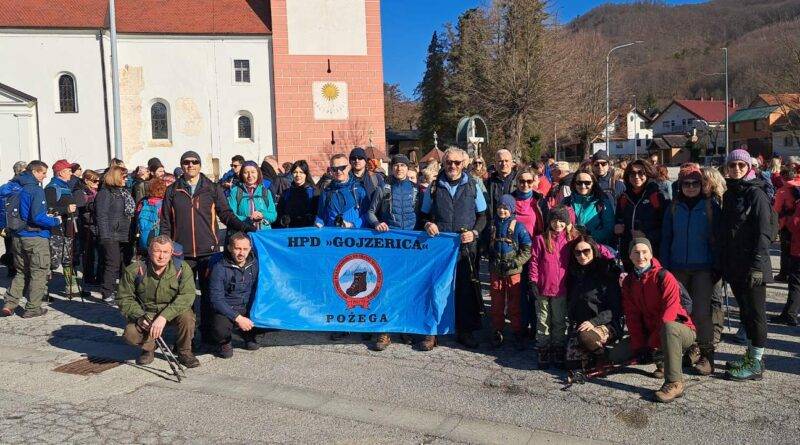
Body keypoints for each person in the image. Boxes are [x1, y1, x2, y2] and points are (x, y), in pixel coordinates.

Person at [160, 151, 255, 346]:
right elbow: (166, 222)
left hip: (208, 251)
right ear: (181, 165)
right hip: (181, 252)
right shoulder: (173, 190)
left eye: (194, 162)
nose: (190, 165)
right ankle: (188, 337)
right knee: (184, 296)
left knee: (209, 295)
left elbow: (225, 214)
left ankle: (209, 333)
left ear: (200, 165)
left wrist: (244, 227)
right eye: (186, 162)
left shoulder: (211, 188)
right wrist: (165, 247)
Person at [421, 147, 488, 350]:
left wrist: (475, 233)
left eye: (457, 163)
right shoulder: (433, 186)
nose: (453, 166)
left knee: (465, 289)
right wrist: (427, 224)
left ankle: (464, 331)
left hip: (465, 246)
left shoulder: (474, 185)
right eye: (449, 162)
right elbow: (423, 215)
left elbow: (483, 216)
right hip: (439, 247)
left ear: (464, 164)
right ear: (443, 163)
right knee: (437, 288)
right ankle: (432, 332)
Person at [660, 164, 721, 375]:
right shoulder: (673, 207)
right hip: (677, 267)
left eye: (696, 183)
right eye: (687, 183)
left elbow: (718, 240)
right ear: (680, 185)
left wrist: (717, 266)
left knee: (702, 312)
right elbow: (666, 238)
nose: (691, 187)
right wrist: (664, 268)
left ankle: (707, 354)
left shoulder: (711, 205)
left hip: (704, 267)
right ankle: (687, 349)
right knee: (681, 312)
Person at [718, 149, 772, 381]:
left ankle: (756, 363)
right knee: (746, 314)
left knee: (756, 315)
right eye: (733, 165)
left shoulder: (756, 194)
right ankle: (750, 355)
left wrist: (758, 265)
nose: (737, 169)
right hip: (736, 266)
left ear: (750, 167)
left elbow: (765, 232)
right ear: (727, 168)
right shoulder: (731, 193)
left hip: (753, 266)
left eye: (741, 165)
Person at [622, 238, 695, 403]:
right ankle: (660, 359)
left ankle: (674, 382)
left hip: (680, 330)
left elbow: (670, 312)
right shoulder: (628, 281)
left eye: (644, 252)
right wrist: (639, 345)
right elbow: (632, 315)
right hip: (652, 333)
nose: (641, 256)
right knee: (617, 354)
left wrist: (652, 343)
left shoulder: (664, 276)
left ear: (651, 254)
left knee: (668, 329)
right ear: (630, 256)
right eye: (636, 252)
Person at [117, 235, 199, 367]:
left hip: (172, 312)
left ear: (171, 253)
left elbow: (187, 296)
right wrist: (139, 316)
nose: (161, 256)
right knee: (130, 334)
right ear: (150, 252)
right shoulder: (135, 270)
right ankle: (148, 348)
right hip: (146, 313)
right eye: (157, 251)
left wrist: (164, 317)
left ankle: (184, 351)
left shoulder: (182, 269)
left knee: (187, 317)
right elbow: (124, 298)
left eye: (165, 252)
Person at [1, 161, 61, 318]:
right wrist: (55, 221)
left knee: (21, 272)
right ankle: (33, 308)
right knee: (38, 272)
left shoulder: (12, 186)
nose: (45, 176)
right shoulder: (34, 189)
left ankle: (9, 303)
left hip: (17, 236)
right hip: (35, 236)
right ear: (34, 171)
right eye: (43, 172)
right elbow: (37, 217)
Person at [565, 235, 624, 369]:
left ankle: (604, 357)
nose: (582, 256)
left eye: (586, 251)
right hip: (582, 324)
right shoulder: (574, 273)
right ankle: (592, 354)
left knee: (585, 337)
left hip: (606, 323)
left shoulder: (606, 273)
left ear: (593, 250)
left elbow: (616, 308)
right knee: (571, 363)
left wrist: (594, 322)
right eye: (578, 252)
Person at [529, 206, 577, 368]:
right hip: (543, 287)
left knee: (558, 320)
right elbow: (534, 262)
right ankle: (543, 347)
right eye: (555, 220)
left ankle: (558, 347)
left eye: (562, 221)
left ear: (567, 223)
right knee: (543, 320)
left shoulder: (570, 241)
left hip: (561, 288)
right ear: (549, 221)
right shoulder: (541, 239)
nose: (558, 224)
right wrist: (533, 280)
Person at [488, 194, 532, 350]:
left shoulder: (519, 227)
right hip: (496, 270)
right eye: (500, 207)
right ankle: (497, 330)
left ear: (512, 209)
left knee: (515, 303)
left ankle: (517, 331)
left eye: (505, 208)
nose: (502, 210)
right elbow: (486, 245)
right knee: (496, 303)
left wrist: (516, 262)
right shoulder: (492, 226)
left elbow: (527, 249)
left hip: (513, 271)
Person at [209, 232, 261, 358]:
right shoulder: (219, 268)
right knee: (220, 330)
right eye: (237, 248)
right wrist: (238, 318)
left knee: (271, 320)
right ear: (229, 248)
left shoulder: (255, 264)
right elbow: (216, 299)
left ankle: (247, 334)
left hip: (247, 307)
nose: (241, 253)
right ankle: (224, 342)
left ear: (250, 249)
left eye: (245, 249)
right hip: (228, 308)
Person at [615, 160, 668, 266]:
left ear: (648, 174)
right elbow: (618, 219)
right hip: (629, 254)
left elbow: (666, 227)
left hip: (651, 254)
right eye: (632, 173)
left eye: (641, 173)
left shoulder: (657, 196)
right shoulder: (624, 197)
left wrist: (646, 236)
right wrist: (617, 227)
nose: (636, 176)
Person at [95, 165, 135, 304]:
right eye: (124, 176)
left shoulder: (123, 192)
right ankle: (107, 292)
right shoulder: (105, 193)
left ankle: (124, 291)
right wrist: (104, 235)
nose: (127, 179)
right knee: (112, 263)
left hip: (125, 233)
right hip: (111, 234)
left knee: (126, 263)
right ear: (116, 177)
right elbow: (102, 215)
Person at [45, 160, 81, 299]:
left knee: (68, 259)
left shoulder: (66, 186)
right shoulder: (51, 188)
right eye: (69, 170)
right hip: (56, 230)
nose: (71, 173)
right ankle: (42, 291)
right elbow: (47, 209)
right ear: (61, 172)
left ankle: (71, 288)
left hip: (68, 229)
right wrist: (66, 209)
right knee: (51, 262)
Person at [701, 166, 728, 344]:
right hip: (702, 255)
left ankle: (715, 332)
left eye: (705, 181)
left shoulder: (718, 202)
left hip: (715, 256)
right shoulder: (701, 201)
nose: (702, 184)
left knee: (715, 298)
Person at [315, 154, 370, 229]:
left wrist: (352, 225)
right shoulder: (326, 191)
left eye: (342, 168)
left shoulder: (359, 189)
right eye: (334, 169)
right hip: (332, 237)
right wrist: (318, 223)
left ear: (348, 168)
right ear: (330, 170)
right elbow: (321, 215)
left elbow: (367, 215)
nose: (338, 171)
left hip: (355, 236)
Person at [563, 170, 614, 245]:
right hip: (570, 246)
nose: (583, 186)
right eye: (579, 183)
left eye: (587, 183)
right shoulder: (566, 201)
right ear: (574, 183)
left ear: (593, 183)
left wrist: (588, 236)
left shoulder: (602, 202)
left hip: (595, 247)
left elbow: (609, 228)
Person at [228, 161, 277, 232]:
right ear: (242, 174)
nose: (250, 176)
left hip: (263, 234)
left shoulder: (265, 192)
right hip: (243, 234)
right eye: (246, 172)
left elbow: (273, 215)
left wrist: (262, 214)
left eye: (253, 172)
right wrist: (248, 219)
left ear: (258, 173)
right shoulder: (235, 191)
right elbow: (231, 216)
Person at [772, 164, 800, 282]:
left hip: (787, 224)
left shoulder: (782, 191)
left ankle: (784, 274)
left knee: (785, 250)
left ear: (783, 177)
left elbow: (776, 210)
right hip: (798, 223)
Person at [1, 161, 28, 278]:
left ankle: (12, 268)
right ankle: (15, 269)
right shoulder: (22, 187)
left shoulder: (4, 187)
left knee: (11, 247)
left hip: (8, 224)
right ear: (20, 171)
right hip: (17, 223)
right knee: (17, 248)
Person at [76, 170, 101, 285]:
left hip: (96, 223)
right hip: (87, 225)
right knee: (89, 253)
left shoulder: (95, 191)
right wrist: (90, 205)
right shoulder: (81, 191)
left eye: (98, 180)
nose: (97, 183)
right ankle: (89, 277)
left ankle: (96, 275)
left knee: (97, 252)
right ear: (86, 180)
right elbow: (81, 207)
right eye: (95, 180)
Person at [277, 160, 319, 228]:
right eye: (295, 172)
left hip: (308, 231)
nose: (298, 175)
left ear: (306, 174)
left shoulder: (314, 192)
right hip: (290, 231)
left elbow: (319, 213)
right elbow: (279, 212)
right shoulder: (286, 193)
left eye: (301, 172)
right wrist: (283, 218)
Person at [135, 177, 167, 254]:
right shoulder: (163, 203)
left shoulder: (143, 202)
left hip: (143, 237)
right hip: (158, 237)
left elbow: (137, 216)